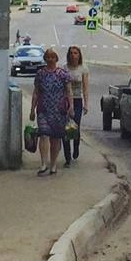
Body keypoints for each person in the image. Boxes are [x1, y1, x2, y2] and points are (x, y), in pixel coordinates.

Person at [29, 48, 72, 176]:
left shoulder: (63, 74)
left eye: (52, 57)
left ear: (56, 59)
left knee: (56, 138)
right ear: (45, 59)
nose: (50, 59)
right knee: (43, 134)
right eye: (48, 57)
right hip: (43, 109)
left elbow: (69, 91)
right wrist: (32, 109)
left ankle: (53, 164)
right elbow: (36, 92)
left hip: (59, 110)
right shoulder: (40, 74)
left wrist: (71, 107)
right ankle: (43, 163)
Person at [62, 45, 90, 167]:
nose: (73, 55)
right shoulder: (64, 68)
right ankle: (67, 157)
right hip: (65, 100)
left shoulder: (83, 69)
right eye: (71, 53)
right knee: (66, 128)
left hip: (77, 100)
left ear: (79, 55)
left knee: (75, 126)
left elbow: (85, 87)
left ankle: (76, 146)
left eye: (76, 53)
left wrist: (86, 104)